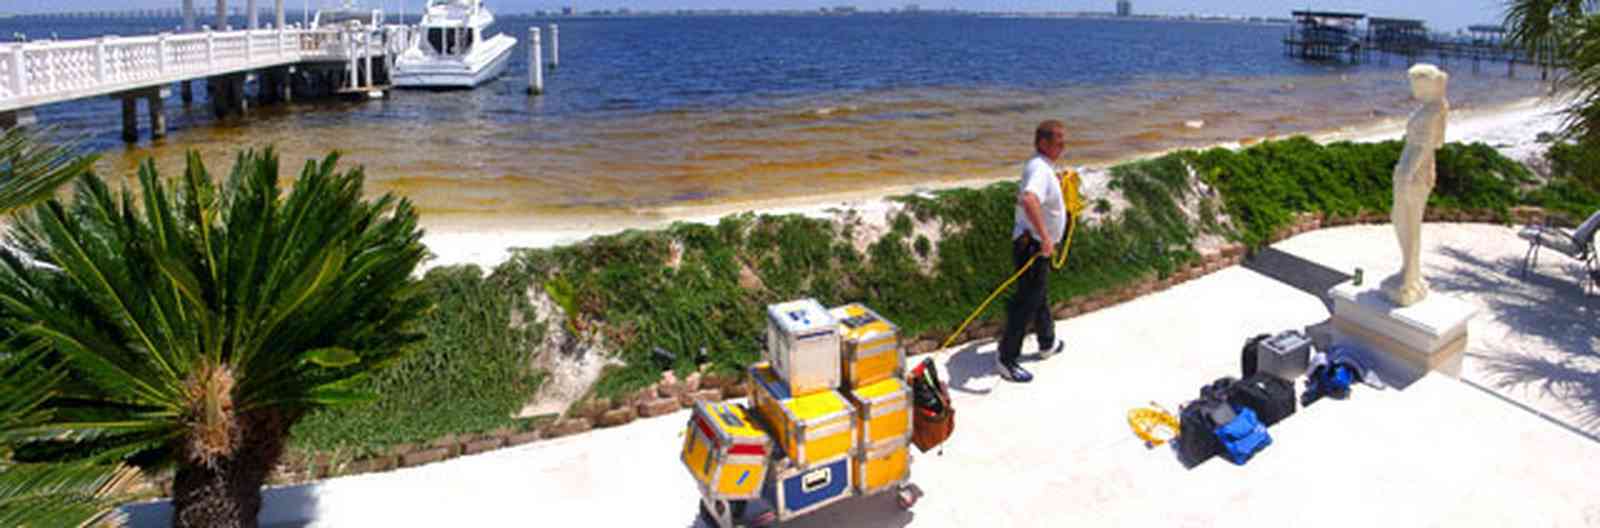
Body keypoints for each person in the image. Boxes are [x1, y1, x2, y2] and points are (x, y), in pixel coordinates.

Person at [995, 120, 1070, 383]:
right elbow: (1029, 199)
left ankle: (1046, 342)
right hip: (1033, 247)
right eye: (1058, 141)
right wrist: (1046, 237)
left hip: (1036, 246)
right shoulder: (1039, 169)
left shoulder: (1043, 167)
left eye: (1063, 141)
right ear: (1042, 143)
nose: (1063, 146)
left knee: (1039, 294)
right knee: (1026, 302)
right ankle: (1006, 358)